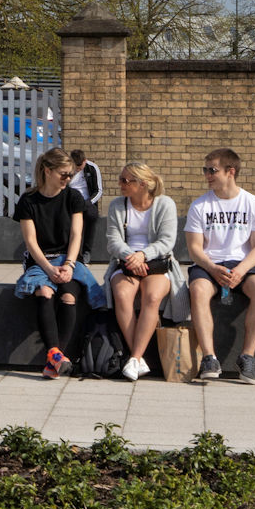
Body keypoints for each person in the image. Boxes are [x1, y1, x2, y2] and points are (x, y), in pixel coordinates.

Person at [184, 147, 255, 384]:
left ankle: (247, 357)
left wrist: (241, 270)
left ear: (230, 171)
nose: (207, 175)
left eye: (212, 170)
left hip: (242, 264)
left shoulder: (253, 204)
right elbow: (194, 248)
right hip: (209, 263)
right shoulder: (199, 206)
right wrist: (212, 268)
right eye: (205, 170)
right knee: (199, 289)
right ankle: (209, 357)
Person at [14, 147, 100, 378]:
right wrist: (49, 268)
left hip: (69, 259)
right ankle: (58, 357)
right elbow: (30, 242)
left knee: (69, 296)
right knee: (44, 291)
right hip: (41, 261)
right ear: (47, 171)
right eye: (63, 174)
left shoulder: (73, 197)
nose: (68, 179)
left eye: (70, 174)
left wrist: (70, 265)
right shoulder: (28, 200)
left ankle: (54, 359)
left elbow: (76, 235)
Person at [100, 163, 188, 381]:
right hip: (126, 261)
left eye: (125, 181)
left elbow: (167, 241)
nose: (120, 184)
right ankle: (137, 360)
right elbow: (113, 241)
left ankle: (135, 356)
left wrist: (144, 255)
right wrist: (132, 256)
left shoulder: (164, 204)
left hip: (157, 261)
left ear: (143, 184)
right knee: (122, 294)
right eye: (120, 179)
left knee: (152, 296)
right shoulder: (118, 205)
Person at [67, 149, 104, 261]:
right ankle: (70, 251)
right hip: (70, 201)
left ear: (85, 161)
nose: (78, 169)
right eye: (76, 166)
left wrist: (87, 203)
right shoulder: (67, 168)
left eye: (80, 166)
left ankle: (86, 251)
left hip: (87, 201)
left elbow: (98, 191)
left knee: (91, 216)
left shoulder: (92, 168)